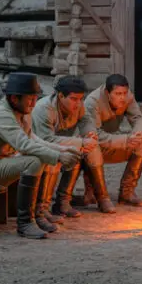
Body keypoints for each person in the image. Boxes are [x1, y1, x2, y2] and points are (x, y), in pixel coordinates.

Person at [0, 72, 81, 239]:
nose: (33, 103)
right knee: (33, 161)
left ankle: (38, 214)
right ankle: (25, 223)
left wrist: (61, 150)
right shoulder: (1, 114)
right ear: (14, 98)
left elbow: (32, 138)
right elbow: (23, 145)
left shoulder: (22, 112)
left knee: (41, 156)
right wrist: (58, 157)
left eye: (34, 98)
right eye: (29, 98)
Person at [31, 75, 101, 231]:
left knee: (76, 155)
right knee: (54, 160)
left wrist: (90, 134)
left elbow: (86, 120)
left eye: (81, 99)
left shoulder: (78, 104)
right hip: (37, 149)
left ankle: (63, 203)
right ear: (60, 96)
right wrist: (81, 143)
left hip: (61, 146)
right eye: (74, 99)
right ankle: (42, 209)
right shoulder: (44, 109)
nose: (78, 103)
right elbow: (46, 140)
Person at [82, 73, 142, 209]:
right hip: (91, 146)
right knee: (92, 147)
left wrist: (138, 133)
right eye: (118, 94)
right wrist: (126, 140)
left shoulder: (128, 97)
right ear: (108, 93)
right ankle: (96, 194)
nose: (122, 97)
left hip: (113, 141)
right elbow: (95, 136)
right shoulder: (92, 102)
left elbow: (138, 118)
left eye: (124, 93)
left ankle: (127, 193)